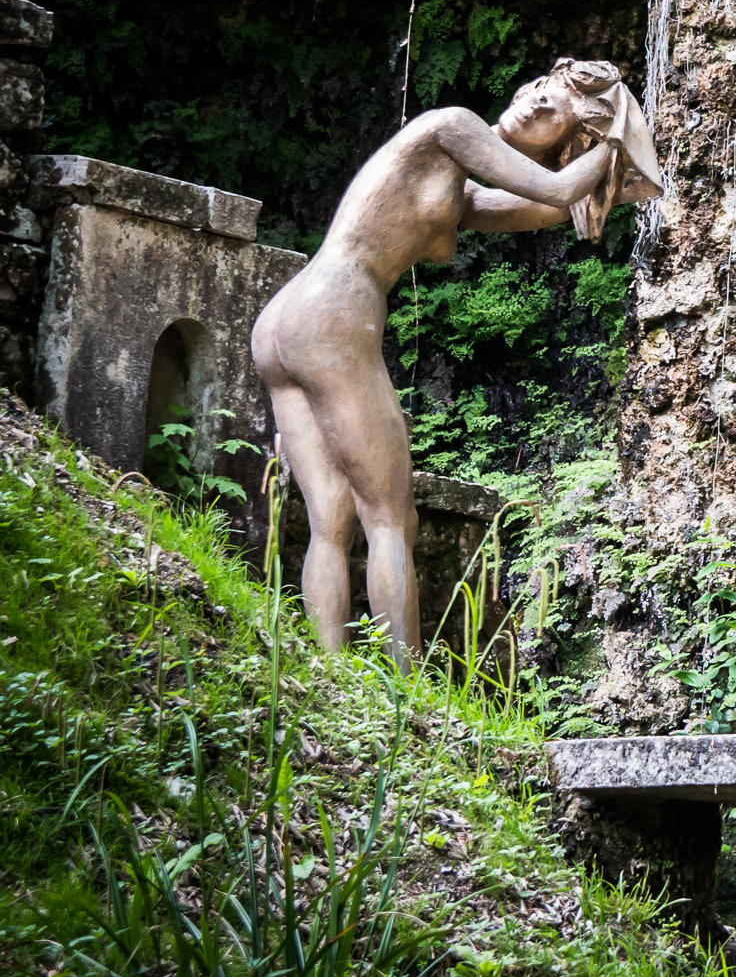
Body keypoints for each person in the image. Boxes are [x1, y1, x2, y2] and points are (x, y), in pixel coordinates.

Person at [252, 58, 661, 663]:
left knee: (332, 517)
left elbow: (551, 208)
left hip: (288, 319)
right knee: (391, 518)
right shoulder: (452, 125)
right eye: (539, 90)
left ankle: (325, 678)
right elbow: (555, 188)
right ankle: (407, 688)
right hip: (333, 313)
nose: (532, 104)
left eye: (553, 113)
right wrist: (619, 137)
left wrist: (613, 166)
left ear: (563, 141)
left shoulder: (457, 188)